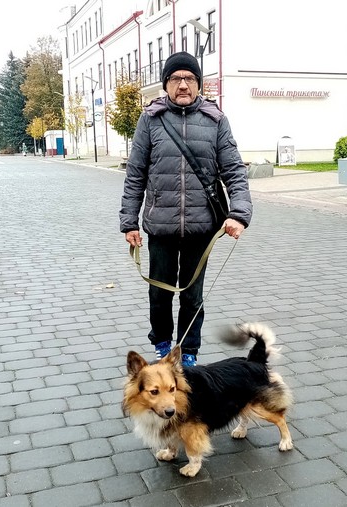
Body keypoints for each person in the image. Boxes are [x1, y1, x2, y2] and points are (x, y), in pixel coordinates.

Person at [119, 52, 253, 367]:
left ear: (198, 84)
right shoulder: (150, 120)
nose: (183, 84)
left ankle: (189, 352)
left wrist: (239, 213)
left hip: (201, 226)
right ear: (166, 84)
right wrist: (129, 222)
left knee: (192, 295)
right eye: (176, 78)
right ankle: (163, 347)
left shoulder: (215, 120)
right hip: (161, 226)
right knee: (159, 294)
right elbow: (135, 175)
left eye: (189, 78)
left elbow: (234, 171)